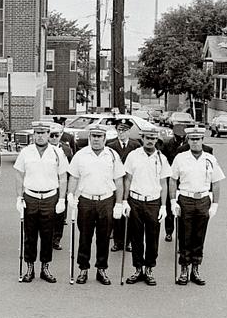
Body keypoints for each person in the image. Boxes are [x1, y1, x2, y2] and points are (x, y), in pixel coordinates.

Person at [66, 124, 125, 285]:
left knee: (104, 237)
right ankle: (83, 269)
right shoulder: (80, 155)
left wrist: (119, 203)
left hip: (106, 200)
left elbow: (119, 181)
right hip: (86, 200)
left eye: (100, 136)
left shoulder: (112, 155)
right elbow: (74, 178)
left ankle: (101, 269)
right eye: (94, 136)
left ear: (105, 138)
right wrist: (70, 194)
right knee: (85, 236)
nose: (96, 139)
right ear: (90, 137)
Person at [168, 126, 225, 286]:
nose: (195, 142)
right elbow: (173, 180)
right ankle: (184, 269)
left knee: (199, 236)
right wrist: (173, 201)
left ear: (202, 140)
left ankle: (195, 269)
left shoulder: (210, 159)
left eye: (197, 139)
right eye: (192, 139)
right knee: (185, 236)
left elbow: (216, 182)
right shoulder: (180, 158)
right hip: (185, 198)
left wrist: (215, 204)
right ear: (188, 140)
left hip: (203, 200)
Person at [13, 121, 68, 283]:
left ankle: (45, 267)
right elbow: (18, 175)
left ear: (48, 135)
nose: (40, 136)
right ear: (33, 135)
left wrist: (62, 199)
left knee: (47, 234)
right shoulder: (26, 152)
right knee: (29, 235)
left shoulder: (57, 153)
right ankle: (29, 268)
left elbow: (63, 177)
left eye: (43, 133)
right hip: (30, 196)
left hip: (50, 197)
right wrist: (19, 197)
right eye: (37, 133)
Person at [122, 128, 171, 286]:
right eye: (147, 138)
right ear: (142, 138)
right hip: (135, 200)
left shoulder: (162, 158)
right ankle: (138, 268)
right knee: (136, 237)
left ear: (157, 140)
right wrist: (125, 200)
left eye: (153, 138)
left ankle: (149, 268)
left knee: (152, 237)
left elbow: (164, 183)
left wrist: (164, 206)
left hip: (153, 201)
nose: (150, 141)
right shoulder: (133, 156)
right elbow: (127, 180)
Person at [107, 118, 141, 252]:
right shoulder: (110, 145)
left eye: (124, 130)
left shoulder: (136, 145)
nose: (121, 132)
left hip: (130, 182)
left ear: (129, 131)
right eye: (119, 130)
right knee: (116, 213)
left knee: (130, 214)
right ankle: (117, 241)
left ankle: (129, 242)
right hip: (115, 183)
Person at [48, 122, 74, 251]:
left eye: (56, 135)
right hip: (47, 185)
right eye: (51, 135)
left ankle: (56, 239)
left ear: (60, 136)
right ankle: (46, 237)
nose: (53, 138)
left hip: (61, 185)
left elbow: (71, 170)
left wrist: (70, 189)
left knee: (60, 215)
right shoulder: (43, 148)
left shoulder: (66, 149)